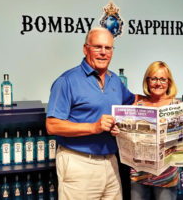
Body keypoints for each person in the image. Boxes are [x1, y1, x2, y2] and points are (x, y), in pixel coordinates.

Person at [46, 27, 137, 200]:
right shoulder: (67, 81)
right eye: (98, 47)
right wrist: (93, 127)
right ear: (85, 48)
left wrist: (166, 101)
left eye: (108, 48)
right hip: (78, 163)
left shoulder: (115, 80)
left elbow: (133, 101)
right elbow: (52, 125)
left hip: (111, 162)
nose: (103, 52)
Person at [130, 61, 183, 200]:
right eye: (154, 78)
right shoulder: (137, 105)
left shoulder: (179, 107)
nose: (158, 83)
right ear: (147, 81)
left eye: (163, 79)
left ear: (169, 82)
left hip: (166, 177)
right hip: (139, 175)